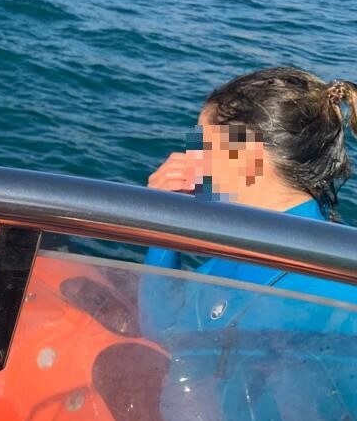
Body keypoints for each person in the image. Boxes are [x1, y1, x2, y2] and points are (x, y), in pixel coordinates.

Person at [141, 67, 357, 420]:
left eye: (200, 145)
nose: (185, 159)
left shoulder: (344, 291)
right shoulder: (243, 248)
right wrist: (165, 224)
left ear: (246, 159)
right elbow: (162, 327)